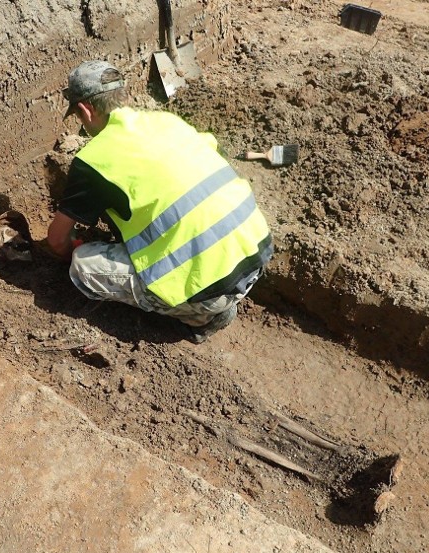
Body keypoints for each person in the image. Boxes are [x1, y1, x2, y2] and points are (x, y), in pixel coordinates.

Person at [41, 60, 272, 343]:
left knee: (83, 266)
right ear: (123, 96)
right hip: (256, 251)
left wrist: (73, 247)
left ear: (86, 111)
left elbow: (56, 241)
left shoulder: (94, 159)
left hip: (210, 290)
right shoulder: (167, 122)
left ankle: (198, 315)